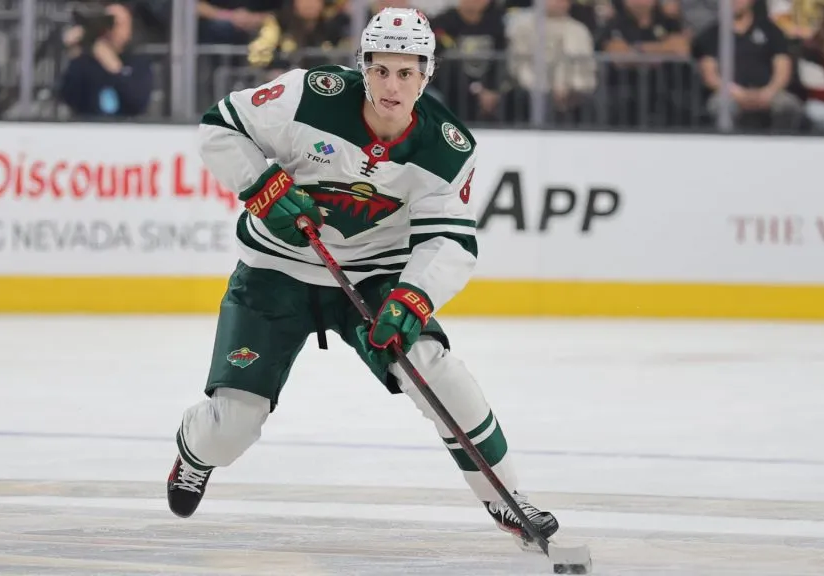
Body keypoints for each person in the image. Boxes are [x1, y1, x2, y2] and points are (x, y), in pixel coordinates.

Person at [165, 6, 560, 546]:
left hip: (373, 276)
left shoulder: (448, 148)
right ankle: (194, 450)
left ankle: (508, 500)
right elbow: (220, 127)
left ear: (427, 75)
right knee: (233, 427)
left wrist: (413, 296)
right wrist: (262, 186)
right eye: (379, 69)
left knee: (433, 369)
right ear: (362, 66)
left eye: (406, 72)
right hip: (275, 268)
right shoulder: (308, 94)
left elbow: (449, 239)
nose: (391, 86)